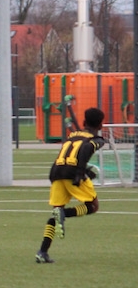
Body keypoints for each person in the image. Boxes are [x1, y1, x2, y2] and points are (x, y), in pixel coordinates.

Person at [36, 107, 106, 263]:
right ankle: (64, 214)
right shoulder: (95, 140)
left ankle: (42, 252)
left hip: (57, 172)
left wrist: (85, 170)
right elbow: (86, 149)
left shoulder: (73, 135)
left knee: (56, 211)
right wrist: (81, 173)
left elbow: (69, 155)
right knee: (92, 206)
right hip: (73, 174)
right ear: (101, 125)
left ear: (83, 122)